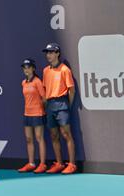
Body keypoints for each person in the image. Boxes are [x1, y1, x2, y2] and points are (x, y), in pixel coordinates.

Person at [42, 43, 77, 174]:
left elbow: (71, 91)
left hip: (62, 104)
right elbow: (45, 89)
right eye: (47, 53)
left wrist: (68, 105)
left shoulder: (65, 70)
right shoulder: (45, 71)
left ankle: (72, 164)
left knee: (66, 134)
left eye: (51, 52)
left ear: (57, 53)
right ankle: (59, 163)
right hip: (50, 105)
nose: (48, 55)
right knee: (53, 135)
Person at [18, 59, 47, 173]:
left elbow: (44, 99)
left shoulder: (37, 82)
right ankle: (31, 163)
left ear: (33, 69)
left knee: (39, 138)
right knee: (29, 139)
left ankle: (43, 164)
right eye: (24, 67)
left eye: (28, 67)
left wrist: (40, 109)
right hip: (27, 114)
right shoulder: (23, 83)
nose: (26, 69)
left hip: (38, 114)